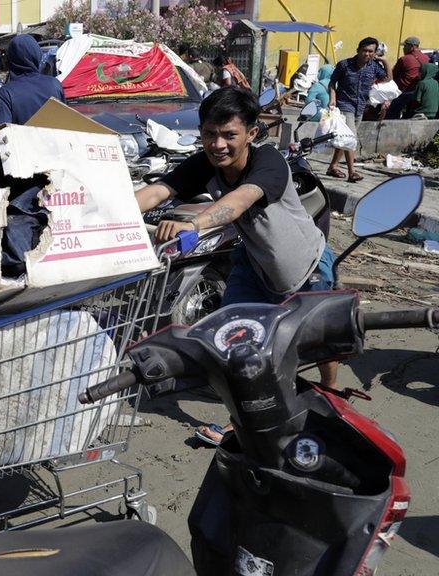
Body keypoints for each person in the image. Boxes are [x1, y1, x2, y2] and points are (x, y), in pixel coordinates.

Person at [134, 86, 336, 446]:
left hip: (306, 265)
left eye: (229, 135)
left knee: (323, 342)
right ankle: (241, 421)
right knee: (233, 344)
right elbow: (158, 191)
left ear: (251, 134)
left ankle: (331, 396)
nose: (218, 144)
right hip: (254, 264)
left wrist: (193, 224)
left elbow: (240, 200)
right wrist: (106, 213)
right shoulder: (204, 164)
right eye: (210, 134)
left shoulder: (268, 161)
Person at [327, 37, 390, 183]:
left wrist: (385, 61)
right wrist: (332, 97)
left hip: (361, 107)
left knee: (345, 139)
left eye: (370, 51)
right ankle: (352, 172)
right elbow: (332, 82)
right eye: (364, 50)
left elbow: (387, 79)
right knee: (351, 138)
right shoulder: (344, 65)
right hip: (344, 104)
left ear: (374, 53)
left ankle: (332, 166)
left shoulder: (374, 66)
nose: (367, 54)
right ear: (358, 50)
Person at [0, 35, 65, 126]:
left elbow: (2, 135)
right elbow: (65, 121)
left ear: (10, 59)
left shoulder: (5, 94)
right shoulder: (55, 85)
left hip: (20, 140)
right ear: (37, 55)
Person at [387, 37, 431, 119]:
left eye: (405, 46)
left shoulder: (404, 59)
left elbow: (393, 75)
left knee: (391, 111)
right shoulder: (427, 58)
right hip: (419, 92)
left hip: (404, 91)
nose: (403, 48)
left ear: (412, 46)